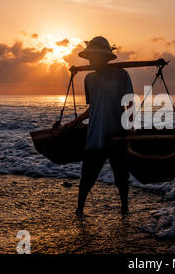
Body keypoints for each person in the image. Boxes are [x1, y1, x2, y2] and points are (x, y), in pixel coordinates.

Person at [64, 36, 134, 216]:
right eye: (89, 57)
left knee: (121, 176)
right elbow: (93, 107)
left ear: (104, 57)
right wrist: (74, 122)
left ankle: (124, 209)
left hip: (116, 134)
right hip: (95, 134)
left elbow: (130, 103)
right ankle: (79, 210)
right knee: (87, 176)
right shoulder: (89, 78)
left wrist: (129, 127)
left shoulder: (121, 75)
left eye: (94, 57)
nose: (90, 60)